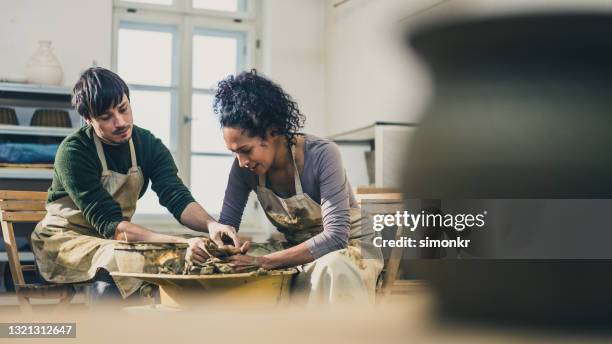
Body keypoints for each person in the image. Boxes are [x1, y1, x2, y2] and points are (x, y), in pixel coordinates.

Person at [31, 67, 243, 299]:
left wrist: (211, 225)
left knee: (179, 258)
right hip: (64, 242)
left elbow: (176, 196)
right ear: (88, 119)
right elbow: (113, 226)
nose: (120, 122)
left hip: (111, 241)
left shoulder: (147, 144)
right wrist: (181, 243)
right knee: (124, 260)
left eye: (123, 109)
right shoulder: (73, 152)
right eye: (105, 117)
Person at [213, 70, 383, 303]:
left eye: (246, 150)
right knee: (229, 269)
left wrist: (263, 262)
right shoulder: (243, 169)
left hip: (352, 246)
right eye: (234, 153)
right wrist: (221, 244)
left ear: (272, 131)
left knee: (334, 267)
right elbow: (227, 225)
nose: (241, 161)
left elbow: (336, 238)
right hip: (300, 248)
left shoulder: (322, 154)